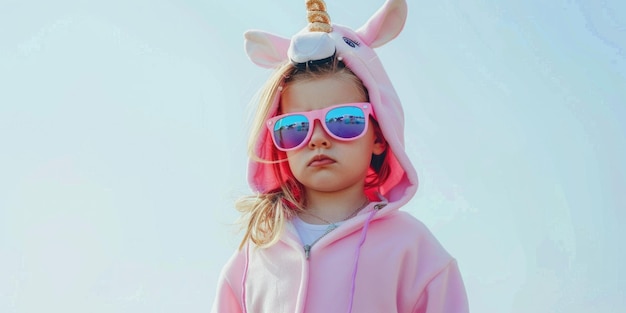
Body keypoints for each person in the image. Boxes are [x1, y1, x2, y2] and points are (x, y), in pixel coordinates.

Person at [212, 0, 468, 312]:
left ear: (379, 133)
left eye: (344, 120)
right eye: (295, 127)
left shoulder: (413, 249)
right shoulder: (254, 255)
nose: (318, 139)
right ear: (278, 142)